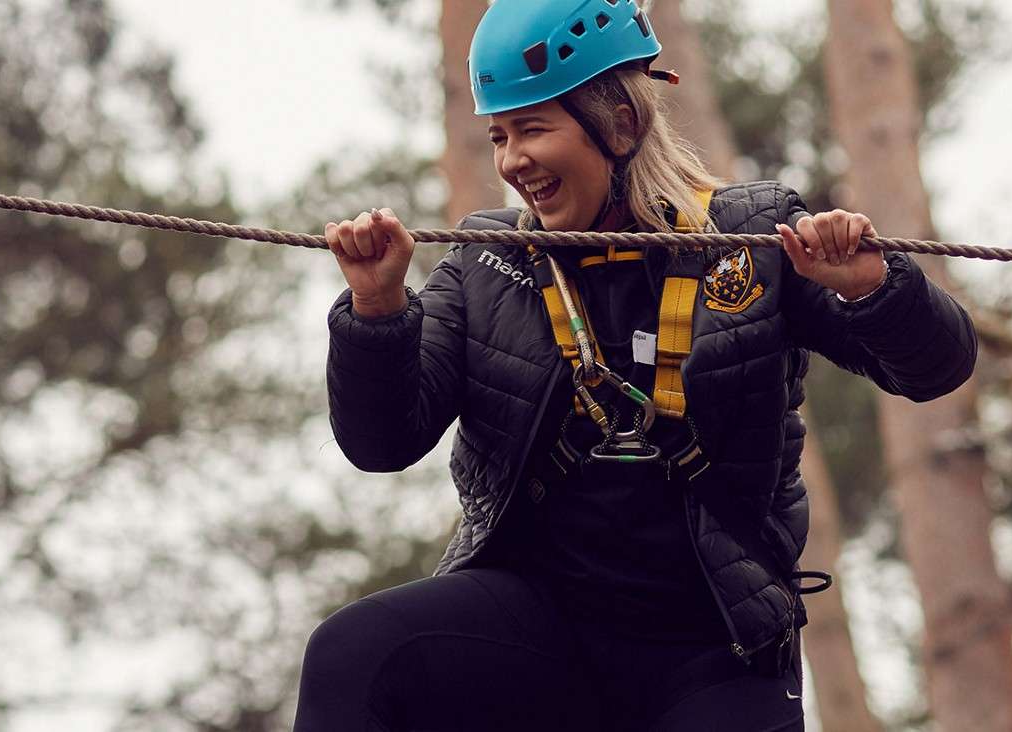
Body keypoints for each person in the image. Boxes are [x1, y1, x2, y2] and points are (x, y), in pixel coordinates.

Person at [295, 1, 976, 729]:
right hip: (541, 629)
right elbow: (382, 443)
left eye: (533, 128)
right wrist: (377, 309)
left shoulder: (750, 236)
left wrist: (875, 289)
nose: (511, 160)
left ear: (619, 122)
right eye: (499, 135)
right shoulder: (488, 261)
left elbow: (937, 369)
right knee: (356, 649)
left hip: (714, 644)